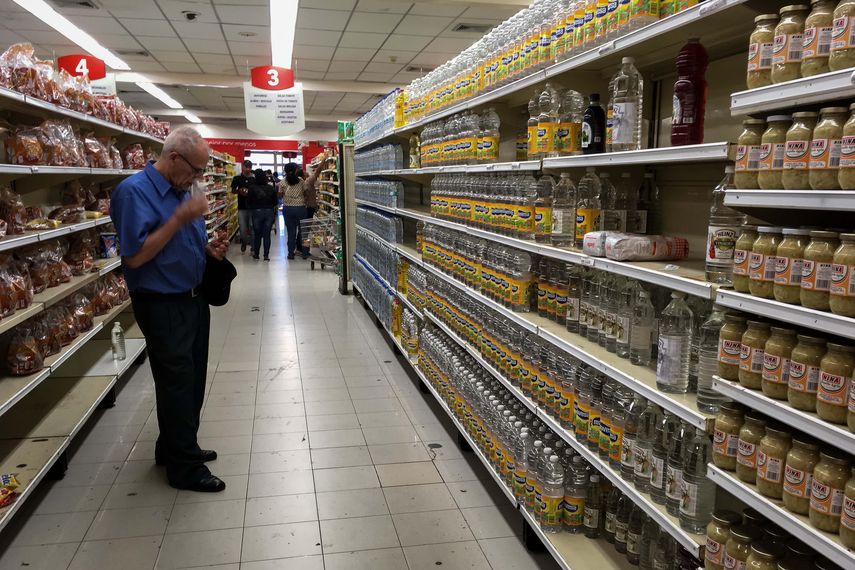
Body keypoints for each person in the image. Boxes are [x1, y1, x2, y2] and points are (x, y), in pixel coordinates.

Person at [110, 126, 228, 493]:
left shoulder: (181, 190)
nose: (198, 178)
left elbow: (179, 243)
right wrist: (178, 219)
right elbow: (134, 257)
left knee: (191, 379)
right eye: (196, 170)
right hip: (163, 304)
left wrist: (207, 250)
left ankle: (176, 446)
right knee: (177, 382)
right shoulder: (134, 192)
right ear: (174, 157)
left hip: (193, 298)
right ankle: (184, 468)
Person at [279, 162, 319, 260]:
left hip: (288, 209)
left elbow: (280, 195)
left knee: (291, 232)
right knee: (304, 232)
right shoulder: (301, 181)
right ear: (295, 170)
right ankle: (305, 252)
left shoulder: (282, 182)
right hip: (300, 209)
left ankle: (290, 254)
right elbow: (306, 192)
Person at [247, 168, 277, 261]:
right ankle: (266, 255)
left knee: (257, 234)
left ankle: (256, 254)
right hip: (269, 212)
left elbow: (248, 201)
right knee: (267, 235)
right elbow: (275, 202)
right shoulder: (271, 188)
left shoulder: (252, 188)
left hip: (257, 212)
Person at [231, 160, 253, 253]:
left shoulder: (254, 178)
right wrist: (239, 191)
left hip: (252, 207)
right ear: (243, 167)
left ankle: (253, 246)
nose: (248, 169)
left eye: (249, 167)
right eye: (246, 167)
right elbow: (233, 190)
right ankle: (244, 241)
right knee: (243, 229)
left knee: (252, 227)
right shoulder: (237, 178)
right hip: (242, 207)